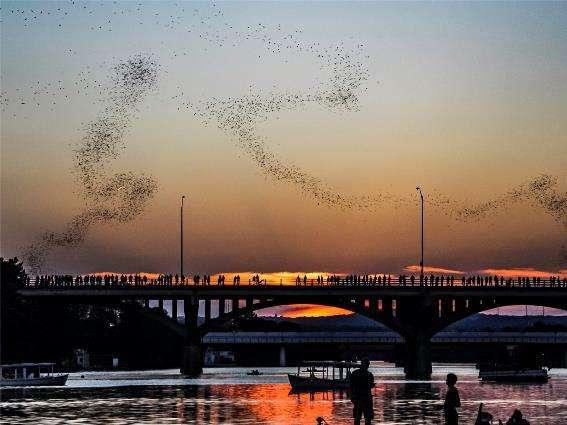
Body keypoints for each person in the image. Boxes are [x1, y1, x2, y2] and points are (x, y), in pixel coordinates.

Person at [349, 358, 375, 425]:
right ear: (366, 365)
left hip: (357, 398)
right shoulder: (369, 374)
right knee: (368, 418)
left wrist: (352, 397)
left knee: (357, 418)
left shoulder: (355, 373)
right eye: (368, 365)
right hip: (366, 398)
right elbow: (371, 385)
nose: (368, 366)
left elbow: (351, 386)